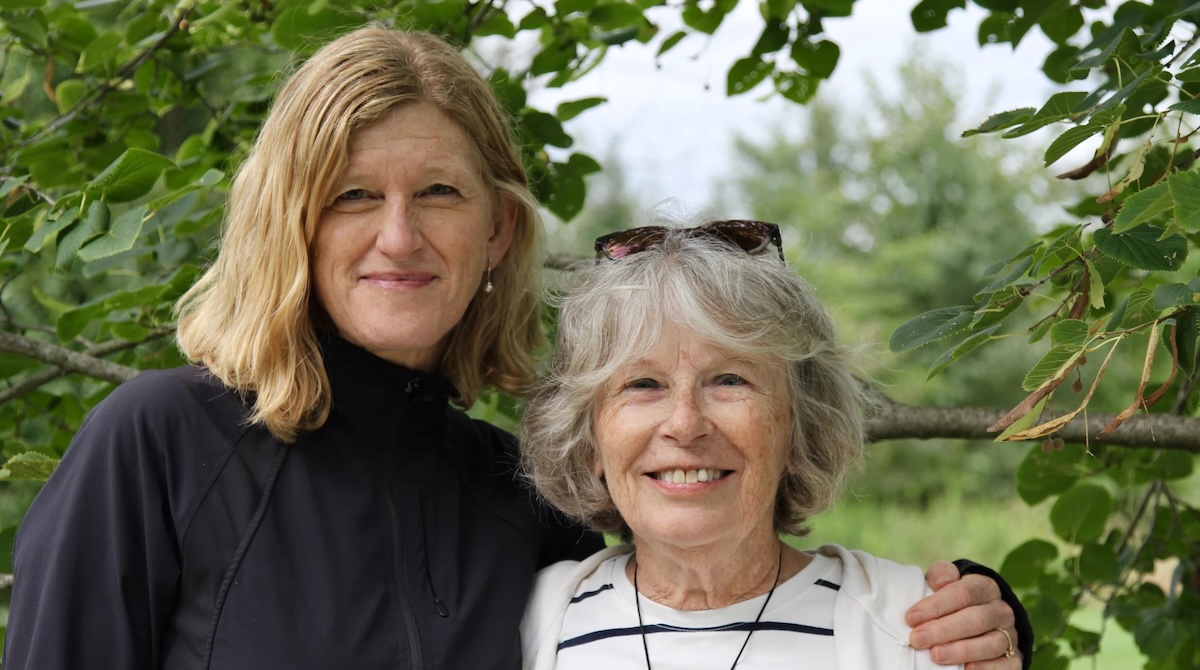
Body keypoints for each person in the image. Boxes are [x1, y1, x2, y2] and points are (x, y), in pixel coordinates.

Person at [3, 26, 1022, 670]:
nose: (398, 236)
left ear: (496, 232)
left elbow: (701, 592)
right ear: (293, 225)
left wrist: (972, 610)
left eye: (438, 193)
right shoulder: (161, 444)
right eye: (354, 196)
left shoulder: (522, 498)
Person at [520, 221, 1032, 669]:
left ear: (798, 425)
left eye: (729, 380)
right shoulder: (524, 624)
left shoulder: (914, 628)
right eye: (643, 385)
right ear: (589, 440)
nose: (685, 424)